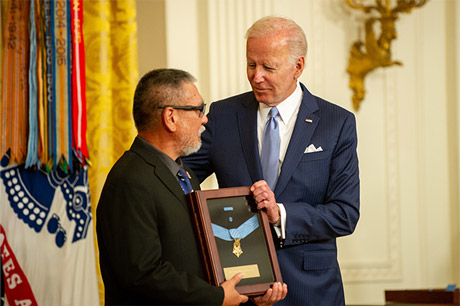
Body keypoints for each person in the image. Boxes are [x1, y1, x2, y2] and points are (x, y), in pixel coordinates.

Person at [183, 16, 360, 306]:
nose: (256, 76)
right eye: (251, 64)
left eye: (268, 67)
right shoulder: (223, 115)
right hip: (239, 287)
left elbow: (345, 213)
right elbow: (183, 178)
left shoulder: (336, 123)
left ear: (298, 67)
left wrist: (280, 214)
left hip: (311, 290)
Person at [96, 68, 287, 306]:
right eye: (198, 109)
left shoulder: (183, 173)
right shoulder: (129, 181)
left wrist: (248, 290)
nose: (204, 119)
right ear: (171, 117)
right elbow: (142, 275)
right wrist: (216, 297)